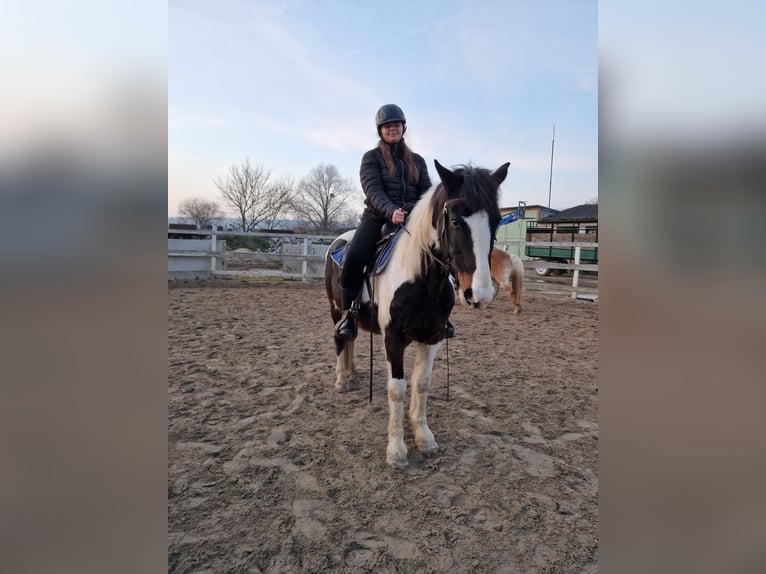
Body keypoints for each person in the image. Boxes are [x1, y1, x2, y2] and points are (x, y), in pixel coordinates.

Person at [335, 103, 455, 340]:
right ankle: (350, 313)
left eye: (396, 125)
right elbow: (373, 190)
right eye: (387, 126)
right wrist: (391, 211)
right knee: (356, 256)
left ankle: (442, 314)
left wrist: (419, 213)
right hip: (377, 217)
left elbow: (426, 194)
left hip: (413, 220)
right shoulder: (371, 158)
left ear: (403, 127)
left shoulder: (418, 161)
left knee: (442, 254)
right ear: (380, 130)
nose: (392, 129)